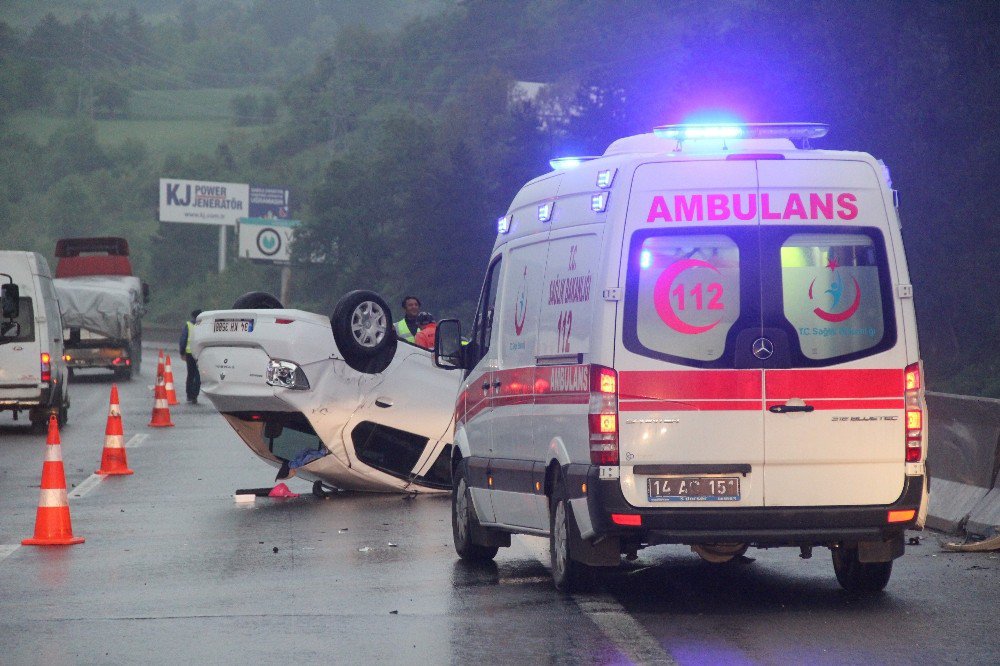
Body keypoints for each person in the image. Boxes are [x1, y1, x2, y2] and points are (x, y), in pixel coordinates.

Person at [179, 309, 202, 404]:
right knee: (198, 376)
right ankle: (195, 395)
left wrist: (182, 352)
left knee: (190, 375)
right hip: (200, 354)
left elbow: (183, 339)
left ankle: (189, 395)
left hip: (189, 354)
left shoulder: (188, 325)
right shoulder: (203, 326)